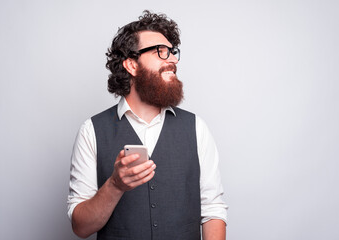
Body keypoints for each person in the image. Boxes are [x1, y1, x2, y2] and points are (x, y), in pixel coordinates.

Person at [67, 10, 228, 240]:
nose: (172, 59)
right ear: (132, 65)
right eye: (161, 52)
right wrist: (114, 185)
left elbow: (212, 210)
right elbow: (80, 227)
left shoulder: (196, 128)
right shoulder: (91, 131)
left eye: (173, 52)